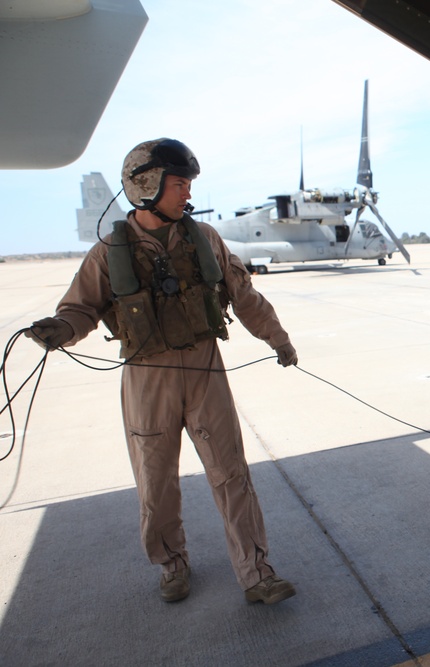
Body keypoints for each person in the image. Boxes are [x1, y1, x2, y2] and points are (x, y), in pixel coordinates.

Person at [27, 138, 298, 605]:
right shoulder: (109, 253)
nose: (187, 194)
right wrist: (59, 330)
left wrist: (278, 338)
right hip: (146, 378)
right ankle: (172, 565)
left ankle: (257, 574)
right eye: (179, 185)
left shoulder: (204, 239)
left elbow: (244, 296)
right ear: (146, 186)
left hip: (204, 371)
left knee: (231, 474)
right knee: (155, 482)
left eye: (188, 185)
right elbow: (80, 309)